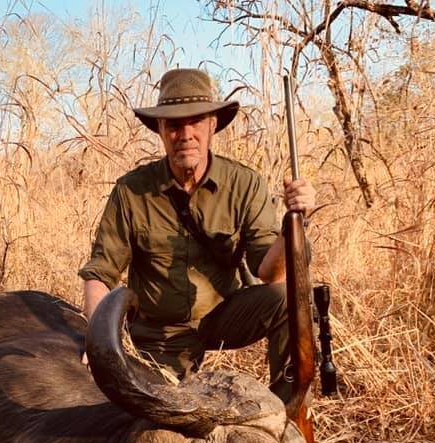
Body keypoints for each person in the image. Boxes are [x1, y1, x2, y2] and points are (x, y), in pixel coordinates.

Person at [78, 68, 316, 401]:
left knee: (291, 299)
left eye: (195, 121)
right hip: (159, 333)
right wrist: (98, 341)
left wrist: (295, 225)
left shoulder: (244, 183)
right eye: (174, 124)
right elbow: (100, 273)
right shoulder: (131, 191)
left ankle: (288, 413)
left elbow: (271, 274)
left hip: (223, 317)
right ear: (160, 130)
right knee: (153, 416)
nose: (185, 134)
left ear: (213, 125)